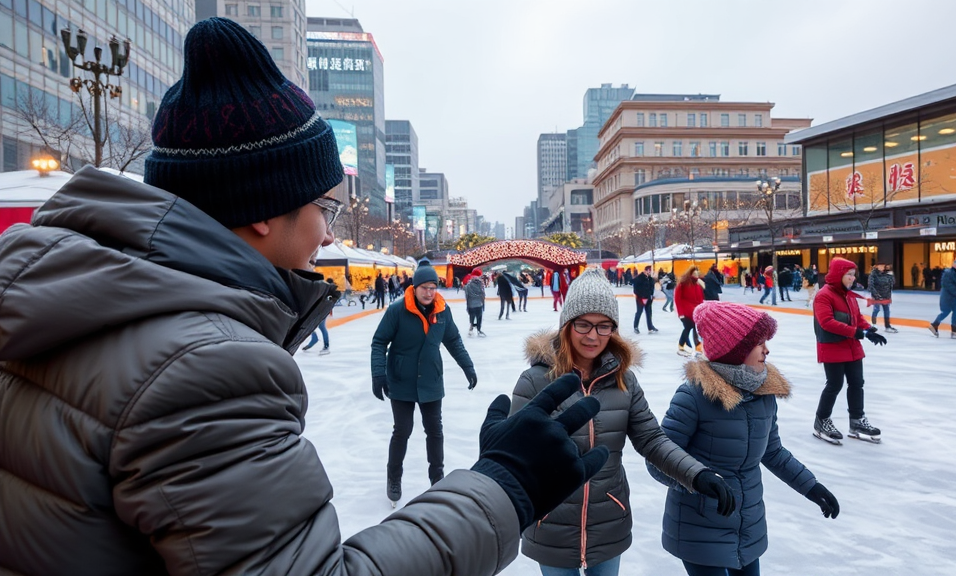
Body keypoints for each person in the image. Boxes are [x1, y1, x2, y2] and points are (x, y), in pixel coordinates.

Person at [0, 18, 614, 576]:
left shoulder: (50, 293)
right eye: (324, 208)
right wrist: (504, 487)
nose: (327, 231)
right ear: (265, 212)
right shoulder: (201, 366)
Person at [511, 270, 733, 576]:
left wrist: (697, 475)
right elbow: (513, 455)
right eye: (583, 324)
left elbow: (652, 439)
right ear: (566, 325)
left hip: (608, 520)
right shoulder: (535, 381)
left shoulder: (623, 381)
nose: (593, 336)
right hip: (551, 521)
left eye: (604, 326)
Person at [649, 301, 840, 576]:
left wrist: (811, 487)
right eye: (759, 342)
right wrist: (699, 480)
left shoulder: (763, 393)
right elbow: (658, 461)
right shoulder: (693, 396)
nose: (767, 349)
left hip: (748, 525)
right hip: (699, 527)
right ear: (734, 350)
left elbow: (772, 452)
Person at [371, 262, 478, 503]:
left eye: (433, 287)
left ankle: (437, 479)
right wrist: (378, 374)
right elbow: (379, 342)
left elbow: (454, 341)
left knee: (435, 431)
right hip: (401, 380)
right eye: (424, 287)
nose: (429, 292)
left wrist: (467, 367)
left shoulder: (442, 311)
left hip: (430, 380)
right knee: (402, 431)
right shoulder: (397, 310)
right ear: (415, 287)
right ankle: (394, 477)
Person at [812, 258, 888, 444]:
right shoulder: (824, 295)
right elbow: (827, 323)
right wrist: (858, 333)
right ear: (839, 275)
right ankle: (821, 421)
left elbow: (857, 318)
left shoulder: (849, 295)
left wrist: (869, 330)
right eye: (849, 275)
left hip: (852, 347)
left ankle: (856, 422)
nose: (853, 278)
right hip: (833, 347)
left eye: (854, 275)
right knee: (834, 384)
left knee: (857, 383)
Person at [929, 259, 956, 339]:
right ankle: (935, 325)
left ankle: (953, 327)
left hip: (951, 296)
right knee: (946, 311)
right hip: (947, 296)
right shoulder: (949, 273)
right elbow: (948, 285)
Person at [675, 265, 705, 357]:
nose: (696, 275)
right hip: (686, 312)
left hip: (695, 312)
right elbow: (677, 299)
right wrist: (681, 313)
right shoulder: (683, 284)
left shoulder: (698, 285)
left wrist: (701, 310)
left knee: (694, 328)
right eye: (694, 273)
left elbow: (700, 300)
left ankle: (694, 345)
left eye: (697, 273)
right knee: (689, 327)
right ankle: (681, 345)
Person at [302, 279, 335, 355]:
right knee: (312, 326)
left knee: (319, 327)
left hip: (320, 311)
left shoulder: (326, 291)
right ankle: (316, 340)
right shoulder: (325, 290)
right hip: (318, 310)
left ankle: (324, 344)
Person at [867, 263, 898, 333]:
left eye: (883, 266)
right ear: (877, 266)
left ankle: (887, 326)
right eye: (880, 265)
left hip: (886, 296)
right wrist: (876, 295)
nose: (882, 267)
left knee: (887, 311)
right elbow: (871, 285)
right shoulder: (873, 274)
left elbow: (892, 283)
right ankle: (874, 325)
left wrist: (891, 275)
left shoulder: (887, 274)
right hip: (877, 296)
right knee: (876, 310)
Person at [633, 265, 658, 334]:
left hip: (648, 298)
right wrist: (641, 295)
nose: (650, 272)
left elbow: (652, 287)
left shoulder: (650, 279)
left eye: (651, 271)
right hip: (640, 298)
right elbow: (635, 289)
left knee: (649, 312)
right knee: (639, 312)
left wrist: (652, 295)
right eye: (649, 270)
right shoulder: (639, 278)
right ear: (645, 270)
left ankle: (650, 327)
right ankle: (636, 327)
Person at [465, 268, 487, 337]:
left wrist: (467, 305)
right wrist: (483, 303)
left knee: (472, 317)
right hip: (479, 304)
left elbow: (467, 295)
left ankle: (471, 328)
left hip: (471, 305)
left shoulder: (468, 285)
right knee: (479, 318)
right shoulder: (481, 285)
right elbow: (483, 295)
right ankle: (478, 330)